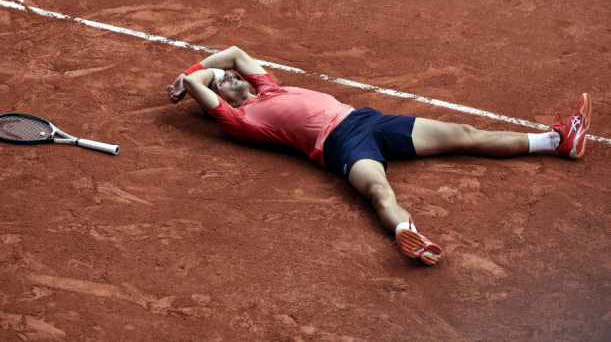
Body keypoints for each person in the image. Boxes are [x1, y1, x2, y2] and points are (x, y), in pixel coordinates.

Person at [167, 46, 592, 266]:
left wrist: (195, 68)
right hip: (341, 147)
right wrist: (194, 79)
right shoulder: (242, 120)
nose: (234, 75)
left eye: (234, 76)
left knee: (465, 133)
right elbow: (198, 85)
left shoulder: (269, 88)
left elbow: (236, 51)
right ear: (218, 101)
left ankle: (557, 142)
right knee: (377, 191)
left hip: (370, 121)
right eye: (225, 81)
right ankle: (412, 237)